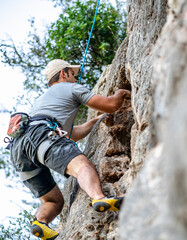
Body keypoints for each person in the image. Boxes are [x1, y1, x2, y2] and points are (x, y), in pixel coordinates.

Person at [9, 59, 131, 240]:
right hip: (41, 134)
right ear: (63, 74)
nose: (76, 79)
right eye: (73, 75)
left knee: (53, 201)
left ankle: (40, 222)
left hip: (18, 149)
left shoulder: (43, 101)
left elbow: (71, 135)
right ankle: (99, 198)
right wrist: (121, 93)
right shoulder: (70, 88)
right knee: (82, 166)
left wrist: (94, 122)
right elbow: (111, 104)